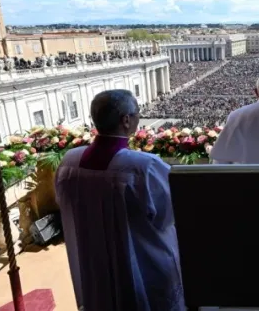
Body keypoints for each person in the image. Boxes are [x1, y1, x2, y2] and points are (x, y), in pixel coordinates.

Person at [55, 90, 185, 311]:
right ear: (126, 120)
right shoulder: (144, 166)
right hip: (143, 264)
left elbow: (63, 204)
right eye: (136, 114)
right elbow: (168, 217)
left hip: (94, 263)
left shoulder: (69, 162)